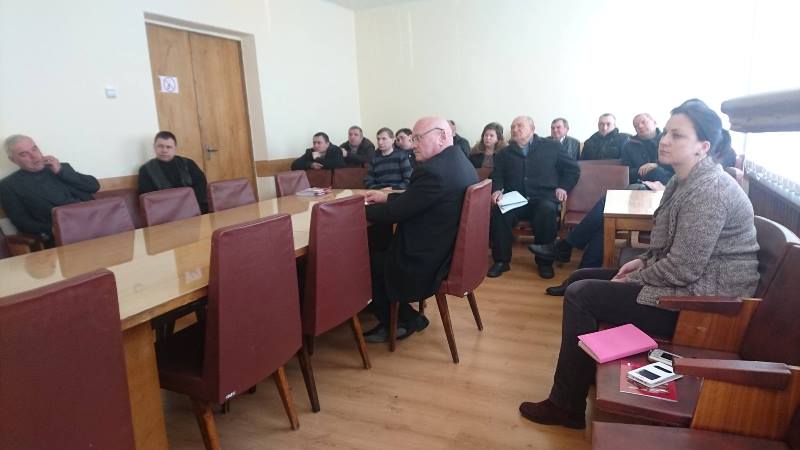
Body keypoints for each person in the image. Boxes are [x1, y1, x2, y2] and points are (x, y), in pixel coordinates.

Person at [518, 99, 760, 430]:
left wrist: (636, 278)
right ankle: (581, 374)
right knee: (580, 278)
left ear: (703, 147)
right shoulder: (683, 181)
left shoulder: (710, 191)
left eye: (677, 135)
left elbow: (684, 268)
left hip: (701, 304)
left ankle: (566, 406)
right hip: (685, 285)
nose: (665, 140)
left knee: (581, 295)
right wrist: (641, 262)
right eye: (667, 132)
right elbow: (670, 248)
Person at [363, 117, 478, 342]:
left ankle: (404, 320)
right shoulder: (459, 162)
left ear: (442, 136)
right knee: (378, 249)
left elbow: (395, 214)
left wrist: (357, 210)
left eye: (418, 138)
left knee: (365, 264)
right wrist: (387, 197)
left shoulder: (433, 171)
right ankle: (388, 307)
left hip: (424, 261)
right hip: (446, 250)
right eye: (413, 138)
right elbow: (419, 199)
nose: (413, 144)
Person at [487, 116, 580, 279]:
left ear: (532, 128)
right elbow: (497, 175)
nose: (515, 129)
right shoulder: (503, 153)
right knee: (500, 213)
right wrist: (496, 190)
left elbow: (572, 170)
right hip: (516, 198)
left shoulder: (552, 146)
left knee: (547, 210)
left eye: (519, 126)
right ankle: (501, 261)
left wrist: (563, 187)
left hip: (543, 197)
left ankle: (544, 262)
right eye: (513, 126)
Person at [0, 134, 99, 242]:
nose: (34, 156)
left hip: (96, 221)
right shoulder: (9, 186)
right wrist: (55, 229)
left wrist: (61, 172)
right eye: (24, 154)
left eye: (34, 149)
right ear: (13, 160)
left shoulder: (59, 167)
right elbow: (22, 222)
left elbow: (94, 186)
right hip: (64, 234)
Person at [138, 131, 209, 214]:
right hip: (167, 213)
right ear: (154, 147)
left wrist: (187, 204)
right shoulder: (145, 170)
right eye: (160, 146)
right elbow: (149, 198)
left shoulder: (188, 164)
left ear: (175, 148)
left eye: (168, 147)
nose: (164, 150)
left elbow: (201, 184)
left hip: (194, 207)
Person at [620, 113, 673, 186]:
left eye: (643, 122)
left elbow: (678, 164)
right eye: (636, 125)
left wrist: (656, 165)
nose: (640, 126)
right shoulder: (628, 146)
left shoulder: (669, 140)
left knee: (656, 172)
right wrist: (643, 169)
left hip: (668, 180)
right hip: (641, 183)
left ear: (654, 122)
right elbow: (626, 173)